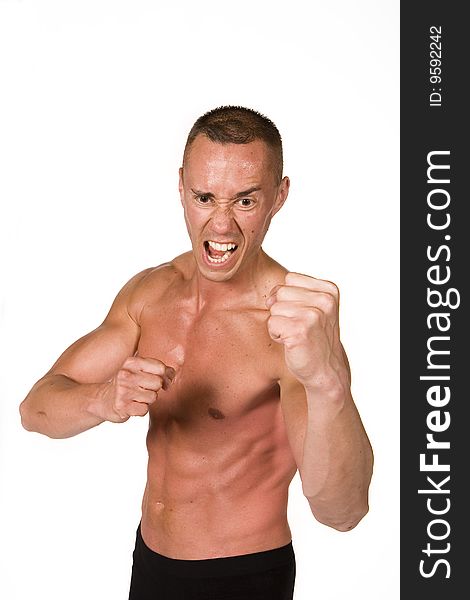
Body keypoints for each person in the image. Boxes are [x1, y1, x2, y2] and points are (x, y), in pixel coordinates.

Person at [19, 106, 374, 600]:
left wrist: (326, 380)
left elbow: (343, 511)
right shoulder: (149, 294)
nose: (222, 225)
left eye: (246, 201)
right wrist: (103, 399)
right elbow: (35, 409)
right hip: (151, 564)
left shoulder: (290, 326)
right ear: (182, 187)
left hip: (244, 576)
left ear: (279, 197)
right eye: (204, 197)